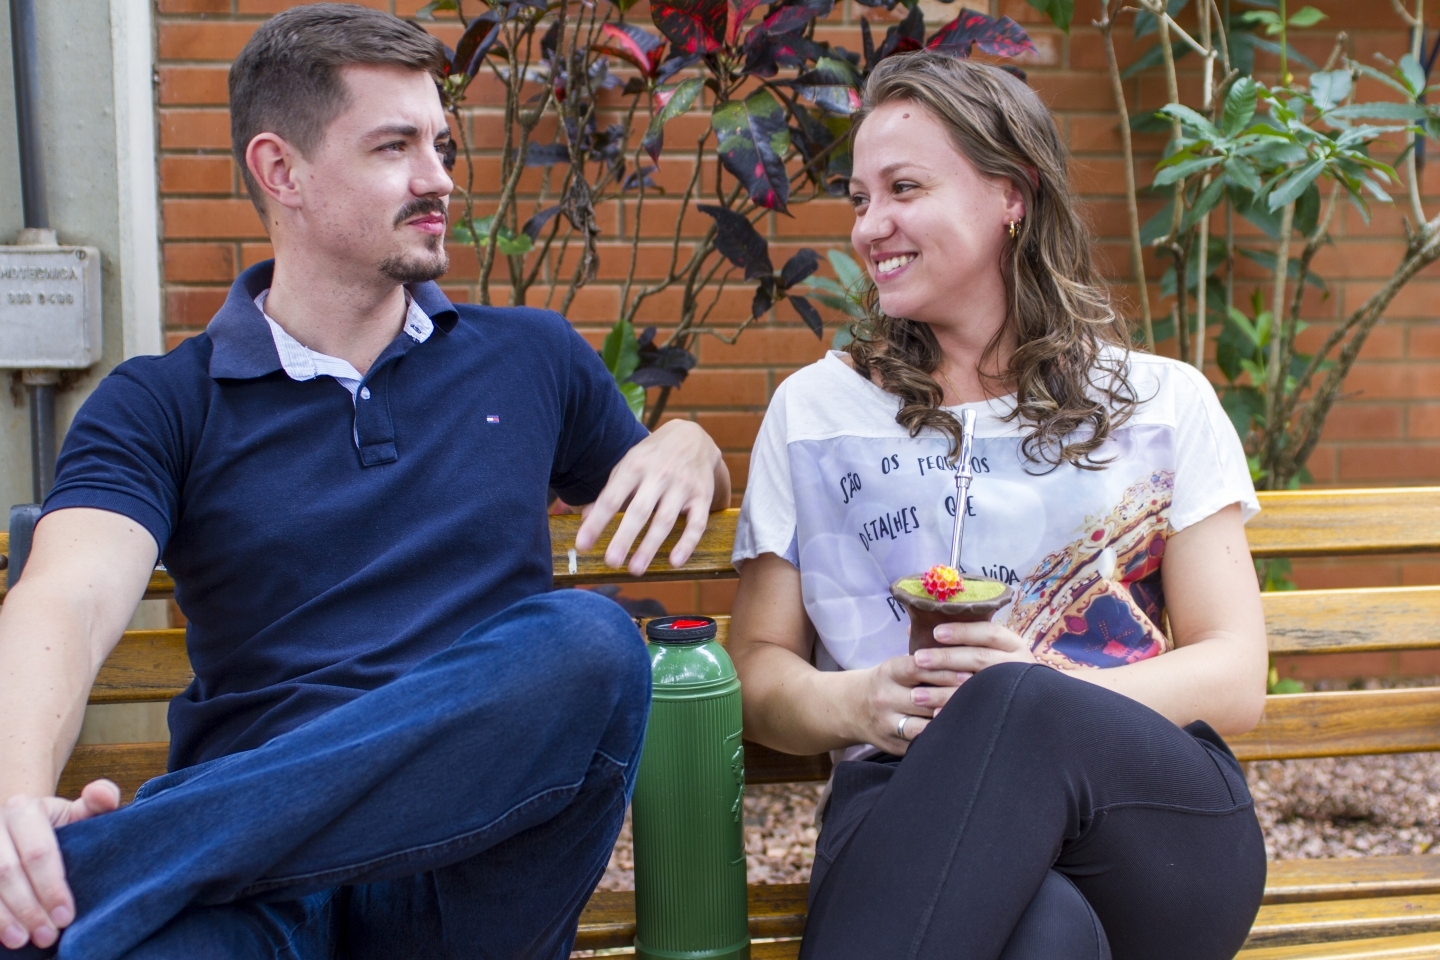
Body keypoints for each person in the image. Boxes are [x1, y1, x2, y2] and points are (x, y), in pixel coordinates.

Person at [0, 5, 729, 958]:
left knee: (590, 644)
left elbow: (669, 489)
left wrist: (691, 442)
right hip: (252, 898)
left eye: (441, 145)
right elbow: (68, 594)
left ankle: (114, 863)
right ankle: (121, 872)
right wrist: (13, 805)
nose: (438, 178)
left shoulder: (533, 358)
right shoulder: (162, 403)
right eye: (395, 147)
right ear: (281, 171)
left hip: (467, 874)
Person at [729, 52, 1268, 960]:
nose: (870, 226)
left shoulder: (1161, 403)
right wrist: (859, 702)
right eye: (859, 198)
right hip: (906, 806)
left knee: (1013, 699)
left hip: (1149, 829)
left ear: (1011, 194)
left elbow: (1236, 672)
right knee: (1042, 935)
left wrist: (1034, 697)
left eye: (904, 188)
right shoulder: (817, 413)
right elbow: (756, 667)